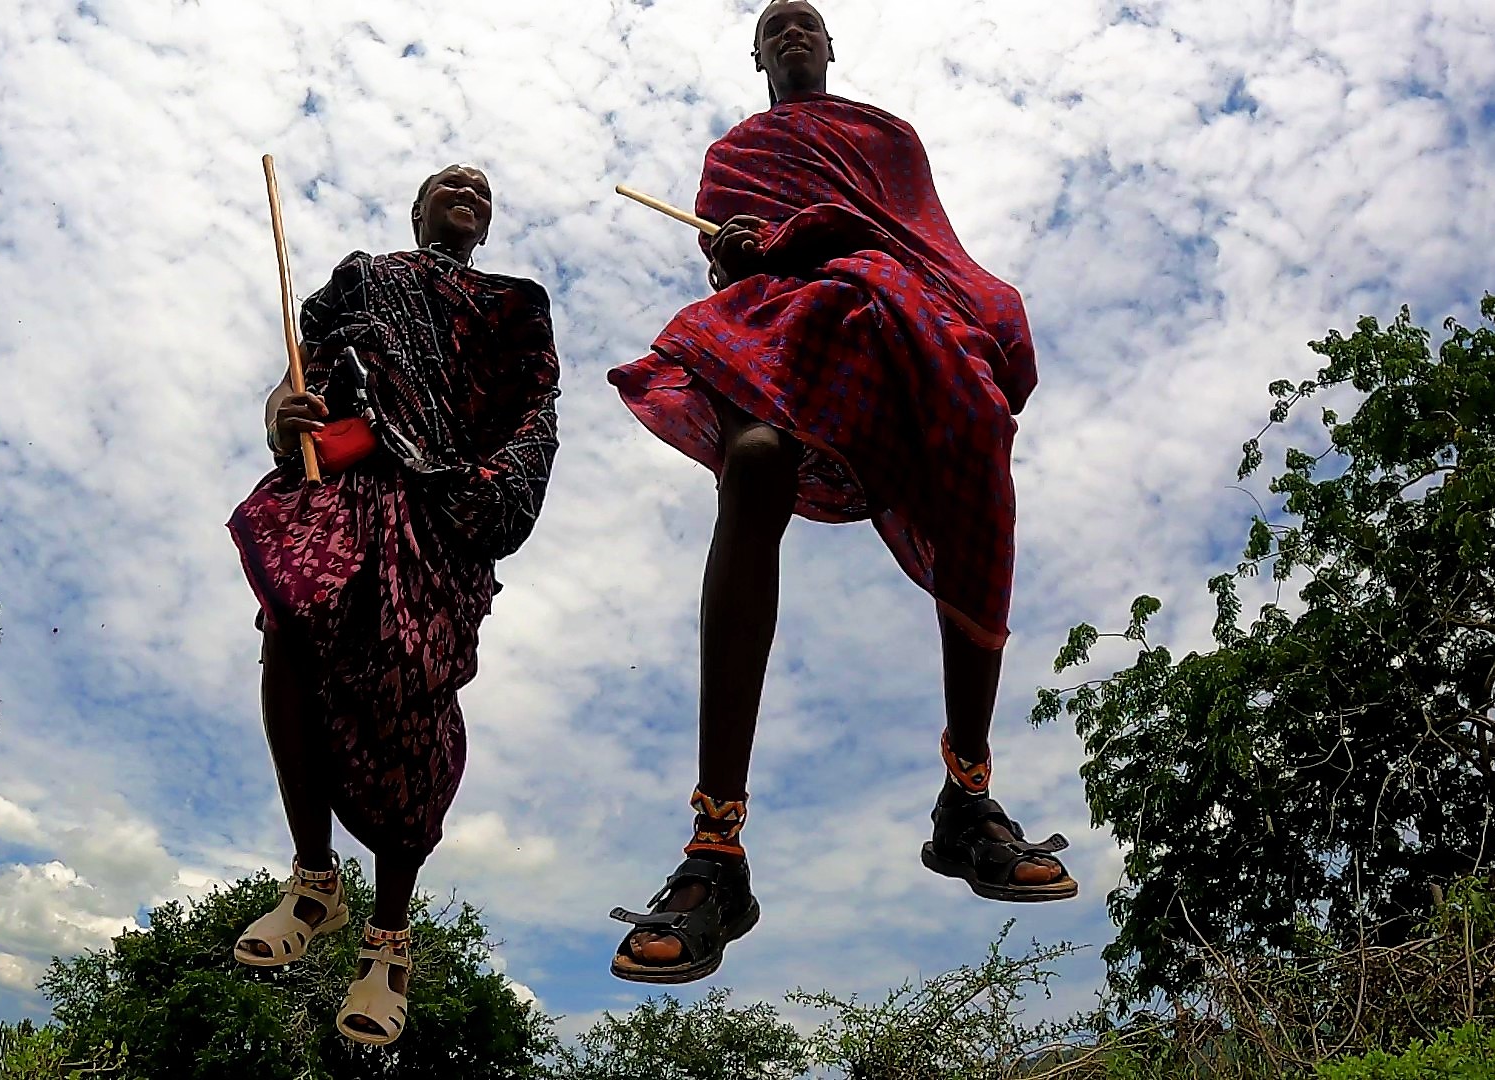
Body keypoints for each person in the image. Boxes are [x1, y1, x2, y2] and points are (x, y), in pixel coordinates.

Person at [606, 0, 1077, 985]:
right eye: (774, 25)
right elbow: (725, 239)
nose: (791, 31)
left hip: (889, 307)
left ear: (830, 46)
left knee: (976, 434)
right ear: (757, 54)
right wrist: (739, 247)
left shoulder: (886, 137)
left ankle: (967, 798)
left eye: (807, 21)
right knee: (759, 459)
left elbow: (918, 236)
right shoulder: (735, 148)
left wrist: (830, 238)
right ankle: (715, 851)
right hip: (775, 312)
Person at [227, 163, 560, 1043]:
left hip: (446, 510)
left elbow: (537, 411)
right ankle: (312, 880)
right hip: (353, 480)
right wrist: (282, 416)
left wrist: (492, 490)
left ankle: (389, 936)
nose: (470, 195)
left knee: (413, 697)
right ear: (418, 210)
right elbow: (303, 381)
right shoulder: (366, 279)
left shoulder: (513, 305)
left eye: (485, 191)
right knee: (291, 623)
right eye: (452, 185)